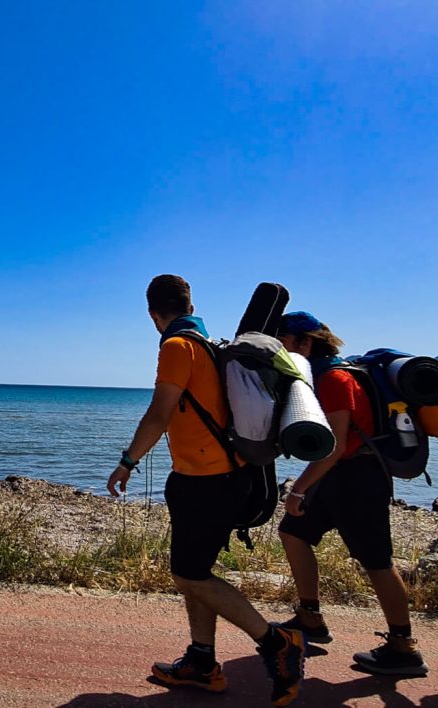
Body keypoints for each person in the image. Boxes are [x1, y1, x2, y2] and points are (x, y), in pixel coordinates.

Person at [106, 275, 306, 707]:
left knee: (190, 574)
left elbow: (159, 414)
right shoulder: (211, 346)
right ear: (189, 303)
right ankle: (201, 661)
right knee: (194, 573)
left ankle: (277, 643)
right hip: (223, 478)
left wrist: (127, 463)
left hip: (206, 482)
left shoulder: (177, 347)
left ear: (151, 313)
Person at [275, 311, 428, 677]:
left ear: (304, 342)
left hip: (358, 478)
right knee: (293, 533)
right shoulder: (326, 373)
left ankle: (403, 647)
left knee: (377, 562)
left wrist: (298, 488)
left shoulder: (334, 378)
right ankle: (310, 617)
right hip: (341, 475)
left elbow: (336, 445)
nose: (281, 349)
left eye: (283, 341)